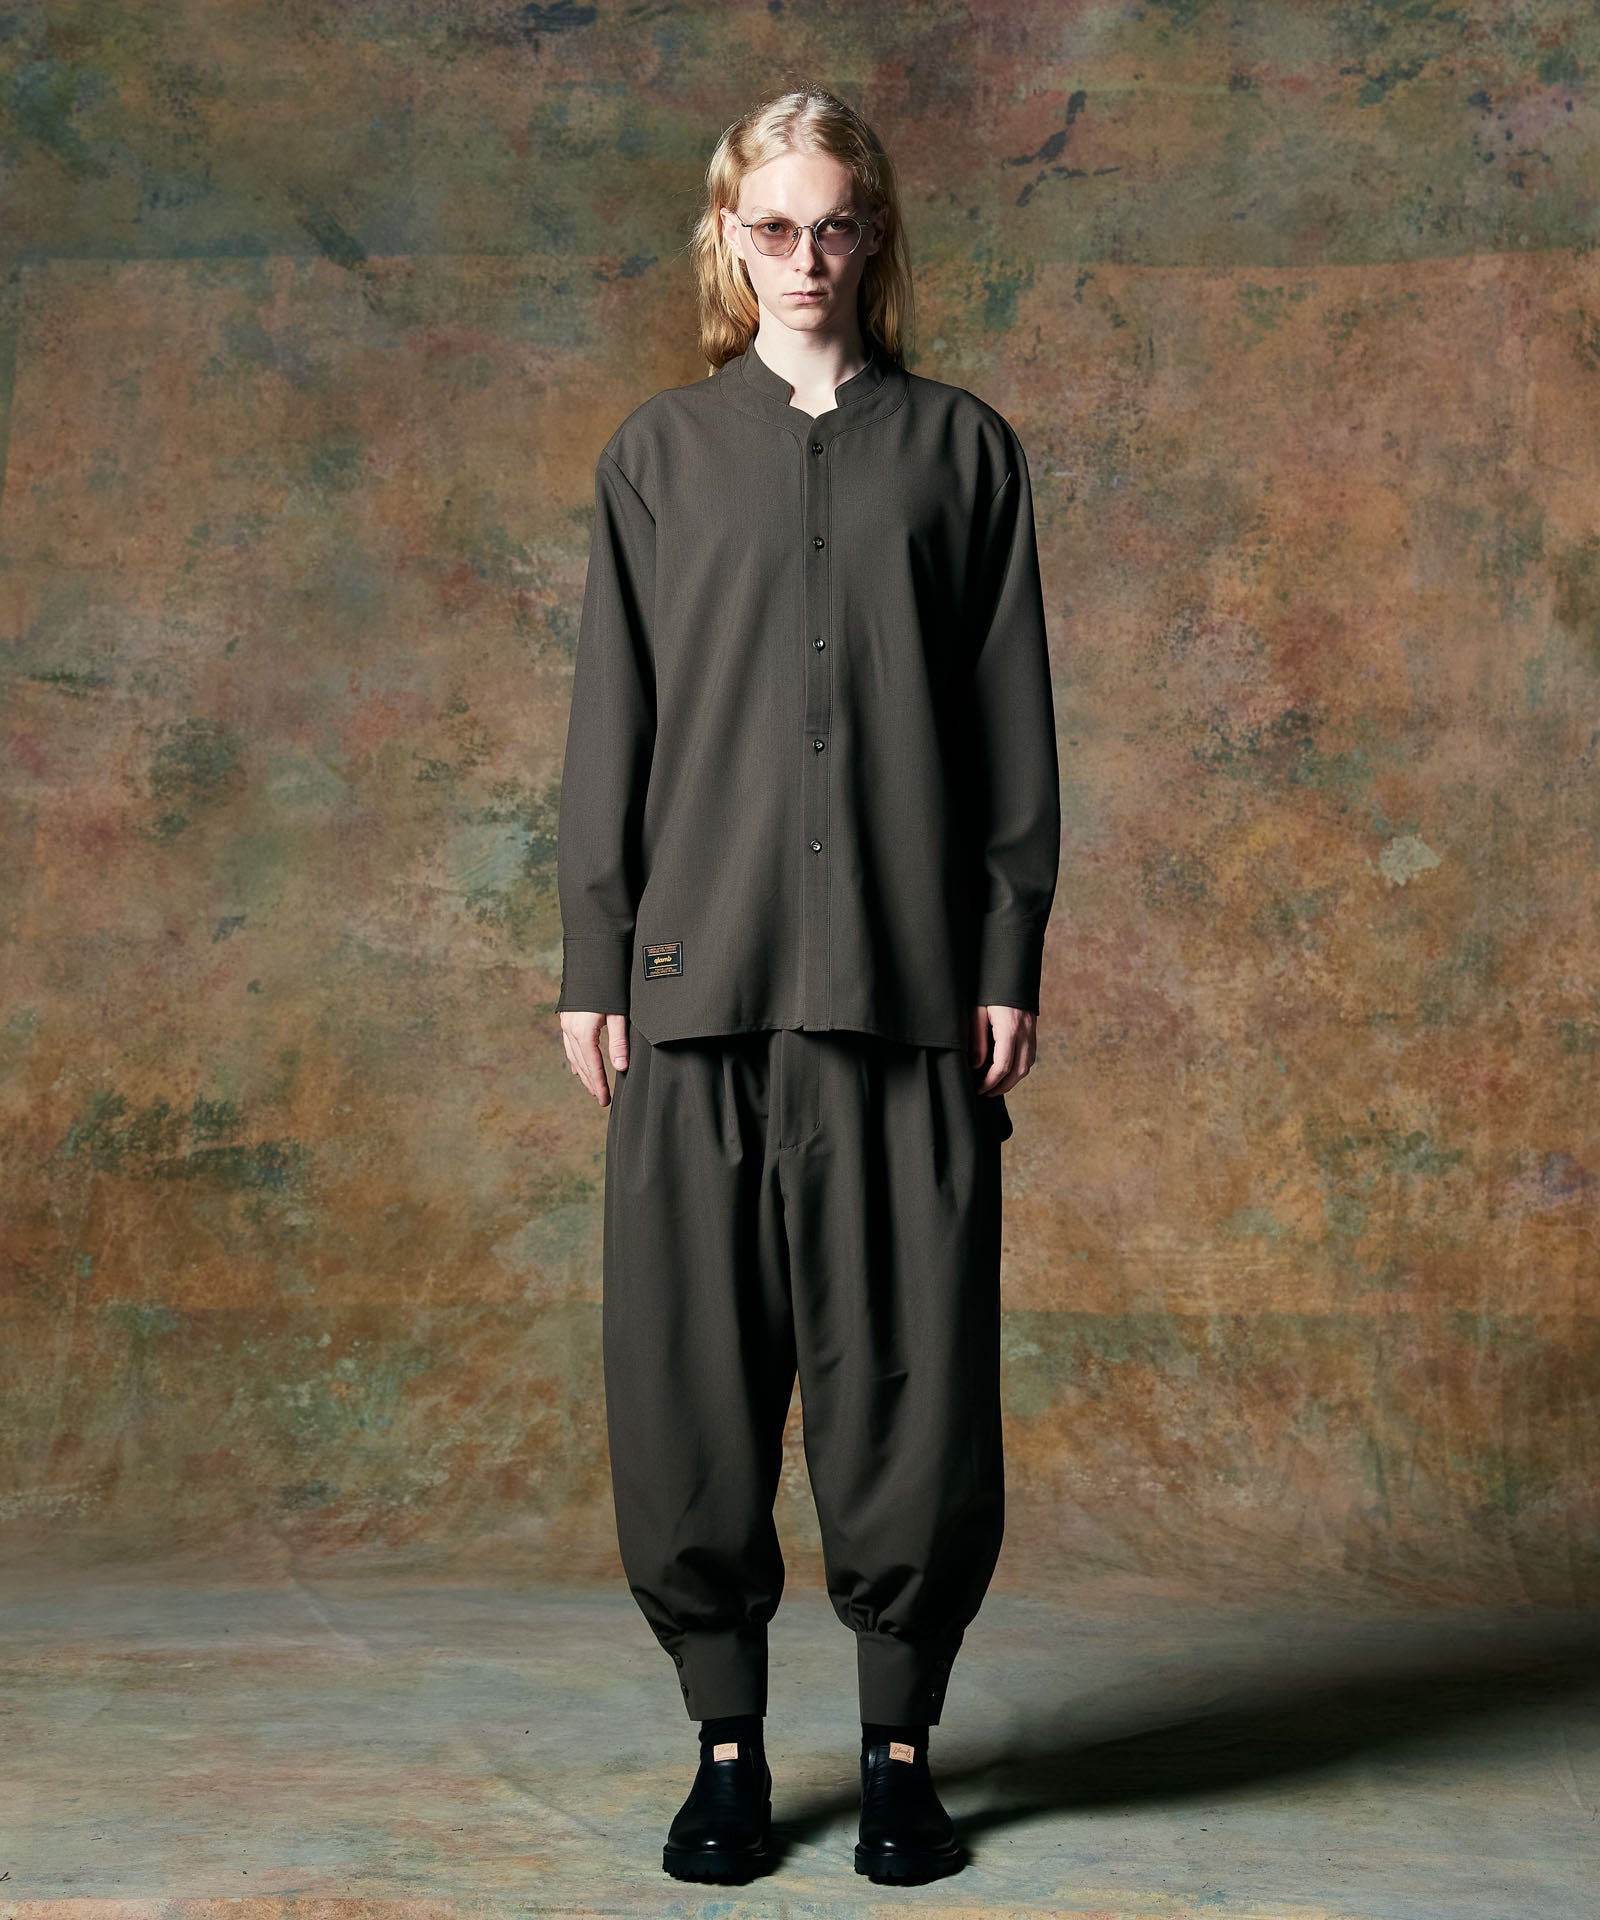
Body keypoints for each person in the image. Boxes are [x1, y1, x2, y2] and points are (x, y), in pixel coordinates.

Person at [555, 82, 1060, 1887]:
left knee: (911, 1394)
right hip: (695, 991)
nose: (805, 258)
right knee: (689, 1390)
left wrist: (1005, 953)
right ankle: (726, 1745)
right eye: (771, 226)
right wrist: (593, 960)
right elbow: (611, 727)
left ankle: (901, 1745)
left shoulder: (965, 453)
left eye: (835, 223)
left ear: (875, 234)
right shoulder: (657, 458)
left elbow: (1011, 733)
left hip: (910, 996)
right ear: (728, 237)